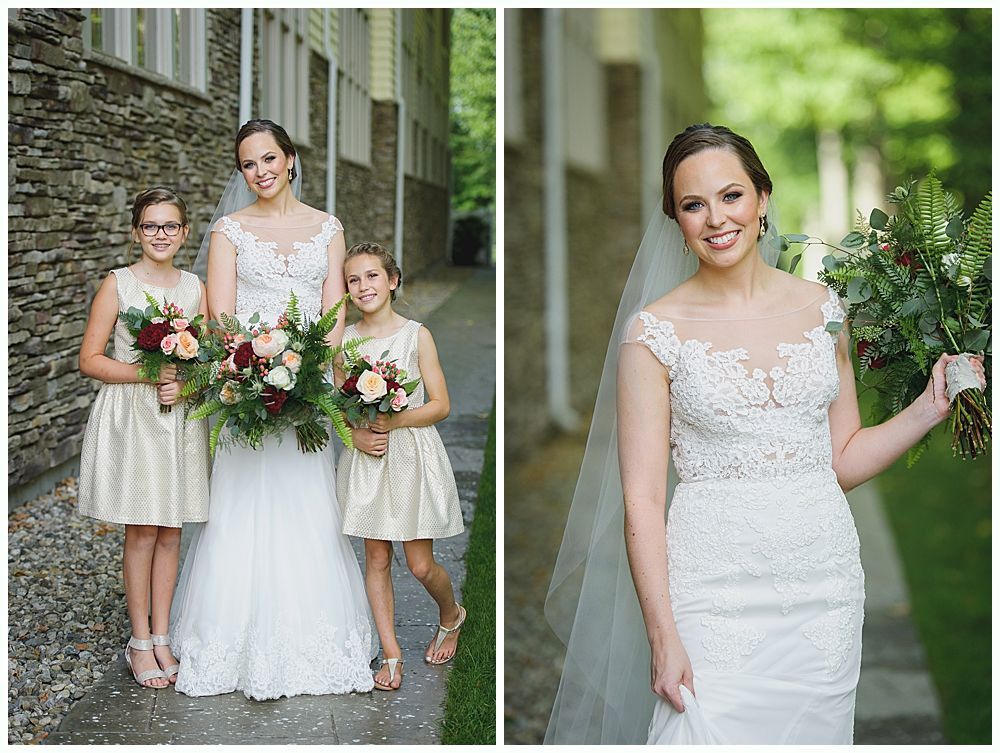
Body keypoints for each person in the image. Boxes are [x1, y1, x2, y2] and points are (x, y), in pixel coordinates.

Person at [544, 124, 986, 744]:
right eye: (693, 205)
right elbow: (641, 501)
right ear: (675, 219)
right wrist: (662, 635)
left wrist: (928, 408)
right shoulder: (654, 334)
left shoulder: (823, 308)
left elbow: (842, 457)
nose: (716, 219)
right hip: (712, 595)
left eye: (731, 196)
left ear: (762, 198)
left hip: (823, 587)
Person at [169, 119, 376, 699]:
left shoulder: (327, 228)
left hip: (306, 392)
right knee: (242, 508)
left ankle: (312, 638)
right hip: (246, 391)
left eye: (268, 159)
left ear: (290, 159)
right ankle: (229, 640)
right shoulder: (229, 231)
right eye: (247, 165)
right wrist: (252, 374)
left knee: (307, 507)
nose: (260, 172)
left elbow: (334, 314)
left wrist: (309, 377)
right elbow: (221, 318)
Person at [78, 187, 209, 689]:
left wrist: (184, 381)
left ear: (184, 232)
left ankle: (162, 636)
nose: (160, 234)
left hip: (178, 416)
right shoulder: (118, 285)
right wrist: (146, 376)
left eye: (170, 226)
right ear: (136, 232)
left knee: (172, 528)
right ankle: (138, 640)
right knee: (143, 529)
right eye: (151, 225)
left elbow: (204, 359)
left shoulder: (194, 289)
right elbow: (89, 358)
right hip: (134, 416)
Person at [336, 242, 466, 691]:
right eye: (353, 280)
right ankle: (391, 654)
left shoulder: (416, 335)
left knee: (419, 565)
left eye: (372, 276)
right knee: (375, 557)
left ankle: (451, 613)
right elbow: (340, 408)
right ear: (346, 290)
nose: (363, 286)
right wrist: (355, 433)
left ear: (392, 281)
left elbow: (441, 404)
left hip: (410, 455)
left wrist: (397, 418)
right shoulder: (346, 342)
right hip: (370, 459)